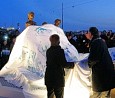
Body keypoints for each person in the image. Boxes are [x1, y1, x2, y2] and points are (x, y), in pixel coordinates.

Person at [86, 27, 115, 98]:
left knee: (98, 95)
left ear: (90, 34)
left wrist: (89, 63)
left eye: (88, 33)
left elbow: (94, 58)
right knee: (106, 94)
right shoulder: (101, 41)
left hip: (102, 77)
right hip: (108, 75)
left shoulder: (95, 43)